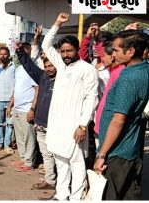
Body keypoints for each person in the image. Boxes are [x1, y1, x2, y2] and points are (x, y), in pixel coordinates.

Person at [41, 13, 99, 200]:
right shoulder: (61, 64)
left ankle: (75, 197)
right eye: (63, 51)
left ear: (76, 50)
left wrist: (83, 125)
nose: (66, 55)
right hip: (57, 124)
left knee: (77, 163)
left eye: (70, 51)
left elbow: (92, 98)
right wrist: (57, 23)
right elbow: (45, 45)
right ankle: (61, 194)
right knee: (60, 161)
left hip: (75, 126)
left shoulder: (87, 69)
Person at [94, 30, 149, 200]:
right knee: (129, 194)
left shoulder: (129, 78)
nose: (113, 53)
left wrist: (102, 154)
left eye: (117, 50)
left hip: (118, 152)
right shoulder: (143, 69)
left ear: (131, 51)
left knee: (112, 195)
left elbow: (118, 121)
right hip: (129, 149)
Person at [16, 47, 57, 189]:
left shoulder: (64, 80)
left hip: (55, 125)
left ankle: (62, 183)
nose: (49, 69)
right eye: (46, 66)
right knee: (46, 154)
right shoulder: (42, 76)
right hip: (40, 123)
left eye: (51, 65)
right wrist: (20, 51)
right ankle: (50, 180)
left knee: (57, 155)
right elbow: (29, 66)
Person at [7, 50, 38, 171]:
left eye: (21, 55)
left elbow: (37, 90)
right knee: (19, 136)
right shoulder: (18, 69)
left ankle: (29, 162)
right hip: (17, 108)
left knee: (28, 136)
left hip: (27, 109)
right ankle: (23, 158)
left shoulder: (32, 70)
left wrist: (32, 109)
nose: (18, 57)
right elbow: (17, 89)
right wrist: (10, 105)